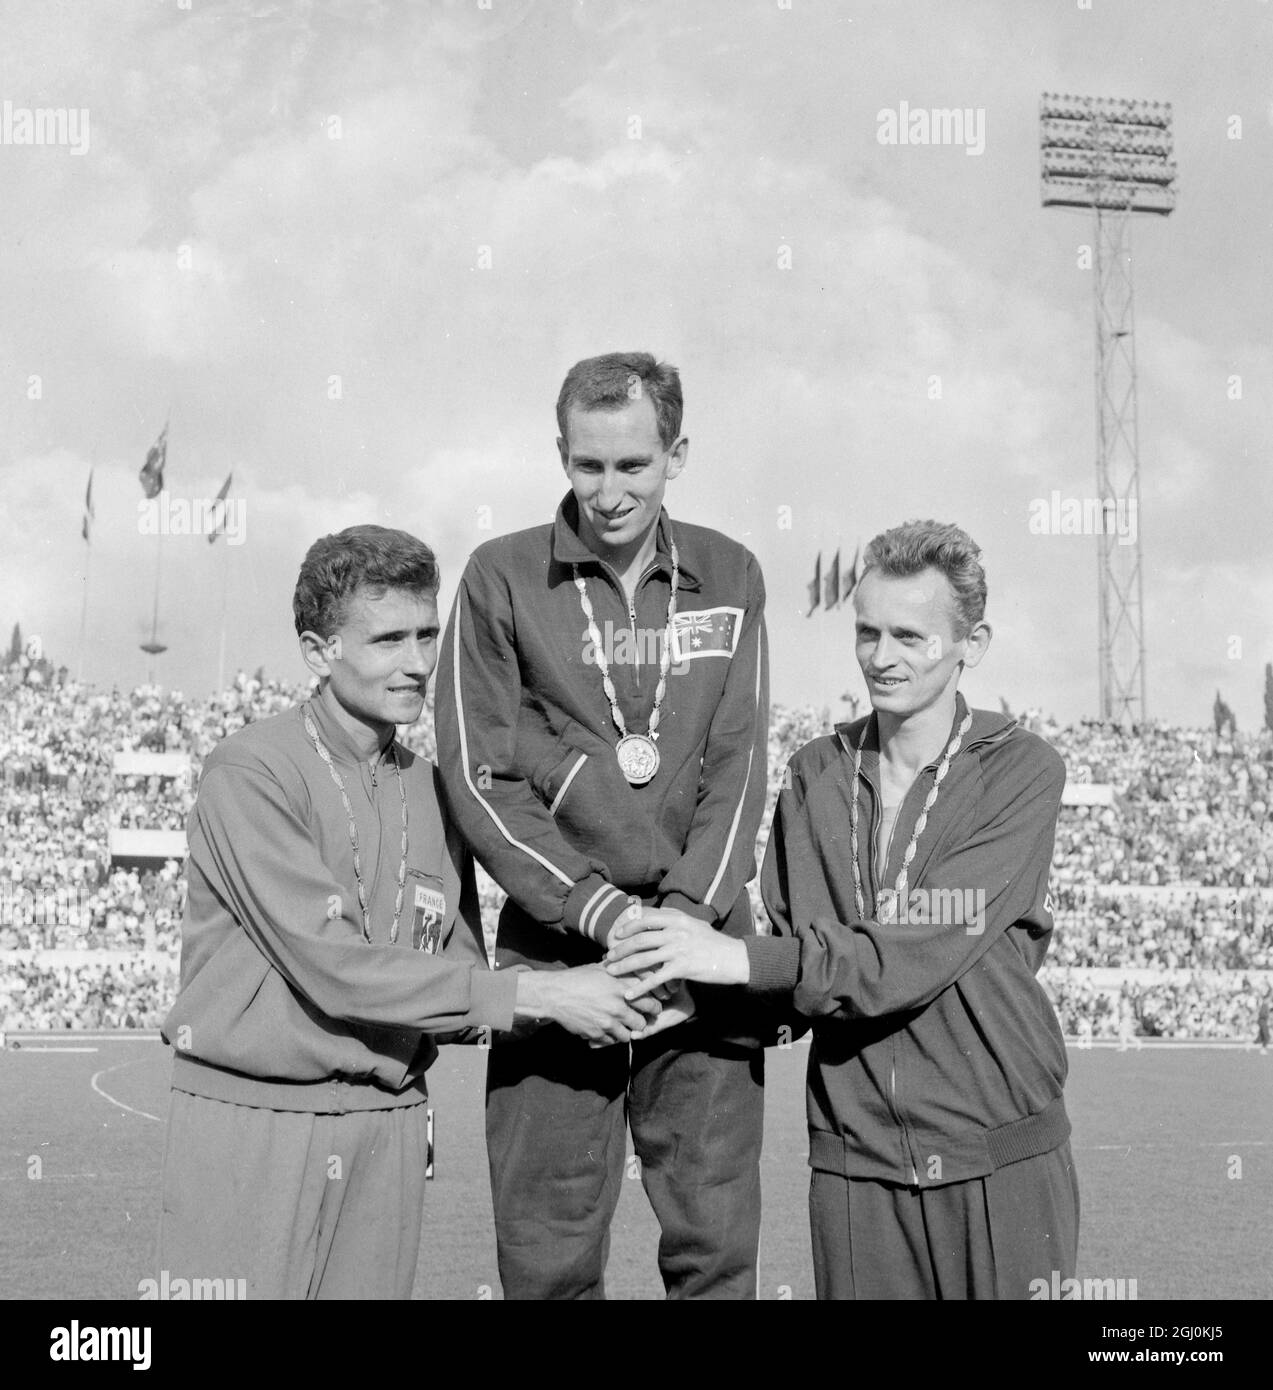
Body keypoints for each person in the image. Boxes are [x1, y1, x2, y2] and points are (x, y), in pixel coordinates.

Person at [157, 525, 655, 1300]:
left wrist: (601, 984)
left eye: (427, 635)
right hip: (255, 1122)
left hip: (389, 1123)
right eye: (388, 640)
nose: (419, 662)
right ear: (320, 651)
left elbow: (459, 987)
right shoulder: (250, 771)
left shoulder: (436, 787)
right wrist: (548, 996)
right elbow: (333, 967)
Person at [608, 519, 1079, 1300]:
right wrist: (685, 999)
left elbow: (907, 953)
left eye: (908, 636)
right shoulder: (814, 772)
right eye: (866, 632)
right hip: (853, 1172)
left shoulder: (1021, 772)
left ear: (974, 642)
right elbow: (796, 972)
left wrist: (731, 958)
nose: (881, 658)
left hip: (1000, 1163)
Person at [435, 352, 770, 1300]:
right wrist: (607, 920)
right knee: (546, 1261)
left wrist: (684, 924)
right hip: (557, 958)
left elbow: (739, 766)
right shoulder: (500, 576)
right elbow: (478, 773)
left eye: (634, 465)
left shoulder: (732, 570)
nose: (610, 491)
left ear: (677, 454)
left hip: (701, 958)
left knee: (713, 1254)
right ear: (560, 454)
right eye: (588, 466)